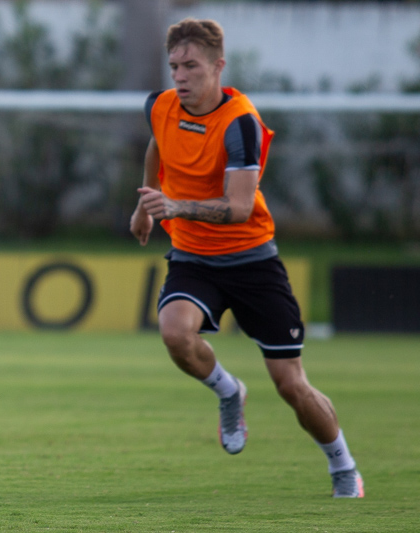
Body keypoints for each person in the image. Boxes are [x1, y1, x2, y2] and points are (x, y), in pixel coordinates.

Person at [129, 18, 364, 498]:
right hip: (193, 257)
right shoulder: (161, 106)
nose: (180, 75)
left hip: (252, 260)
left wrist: (175, 207)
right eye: (174, 65)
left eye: (191, 65)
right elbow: (158, 143)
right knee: (174, 332)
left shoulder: (241, 123)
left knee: (290, 385)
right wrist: (145, 203)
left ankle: (343, 464)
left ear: (218, 66)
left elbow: (238, 208)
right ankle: (228, 390)